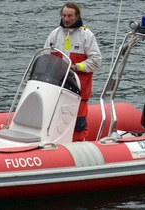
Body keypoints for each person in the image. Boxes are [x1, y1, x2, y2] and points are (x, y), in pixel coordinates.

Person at [44, 2, 102, 141]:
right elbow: (45, 58)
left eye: (70, 16)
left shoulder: (86, 35)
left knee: (79, 123)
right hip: (56, 87)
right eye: (64, 15)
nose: (66, 19)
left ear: (77, 17)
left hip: (78, 88)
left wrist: (77, 67)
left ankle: (79, 146)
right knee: (52, 119)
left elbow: (96, 61)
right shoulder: (55, 34)